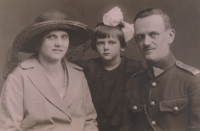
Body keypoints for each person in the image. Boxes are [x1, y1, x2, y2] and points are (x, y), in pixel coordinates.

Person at [0, 11, 98, 131]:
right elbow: (9, 127)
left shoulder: (78, 75)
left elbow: (89, 121)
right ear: (38, 42)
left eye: (64, 37)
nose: (59, 43)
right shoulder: (19, 77)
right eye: (51, 37)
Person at [126, 8, 200, 131]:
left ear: (170, 36)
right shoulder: (134, 81)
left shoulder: (192, 80)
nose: (146, 42)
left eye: (153, 34)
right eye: (140, 36)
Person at [75, 7, 142, 131]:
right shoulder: (88, 67)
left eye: (112, 42)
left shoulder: (133, 68)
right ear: (95, 46)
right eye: (101, 43)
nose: (106, 47)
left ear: (122, 46)